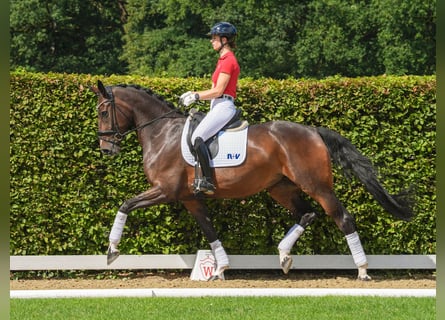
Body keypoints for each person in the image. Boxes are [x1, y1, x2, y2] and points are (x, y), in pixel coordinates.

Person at [180, 22, 240, 195]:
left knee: (198, 137)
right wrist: (194, 93)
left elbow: (218, 90)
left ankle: (207, 181)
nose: (211, 42)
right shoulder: (222, 60)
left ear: (224, 39)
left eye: (214, 39)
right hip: (217, 105)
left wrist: (196, 95)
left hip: (224, 105)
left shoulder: (228, 60)